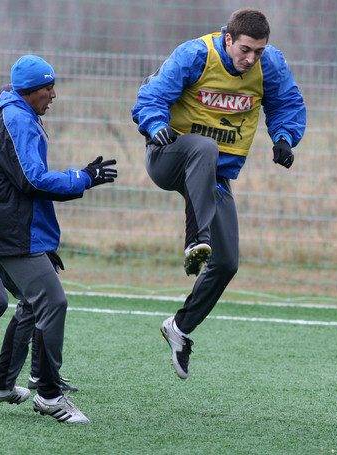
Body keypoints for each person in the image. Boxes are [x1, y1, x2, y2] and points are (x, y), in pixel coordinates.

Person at [131, 8, 306, 379]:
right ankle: (195, 240)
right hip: (168, 156)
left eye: (258, 51)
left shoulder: (269, 65)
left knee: (226, 263)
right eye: (245, 49)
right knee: (205, 147)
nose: (251, 58)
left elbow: (287, 104)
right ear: (228, 39)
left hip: (213, 177)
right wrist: (155, 125)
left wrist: (285, 138)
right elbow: (150, 96)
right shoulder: (195, 55)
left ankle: (179, 329)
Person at [0, 55, 117, 423]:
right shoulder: (17, 118)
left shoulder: (10, 113)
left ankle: (2, 385)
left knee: (32, 305)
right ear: (29, 90)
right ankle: (49, 395)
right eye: (48, 87)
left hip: (7, 229)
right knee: (53, 301)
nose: (54, 94)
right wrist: (82, 177)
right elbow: (31, 180)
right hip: (10, 232)